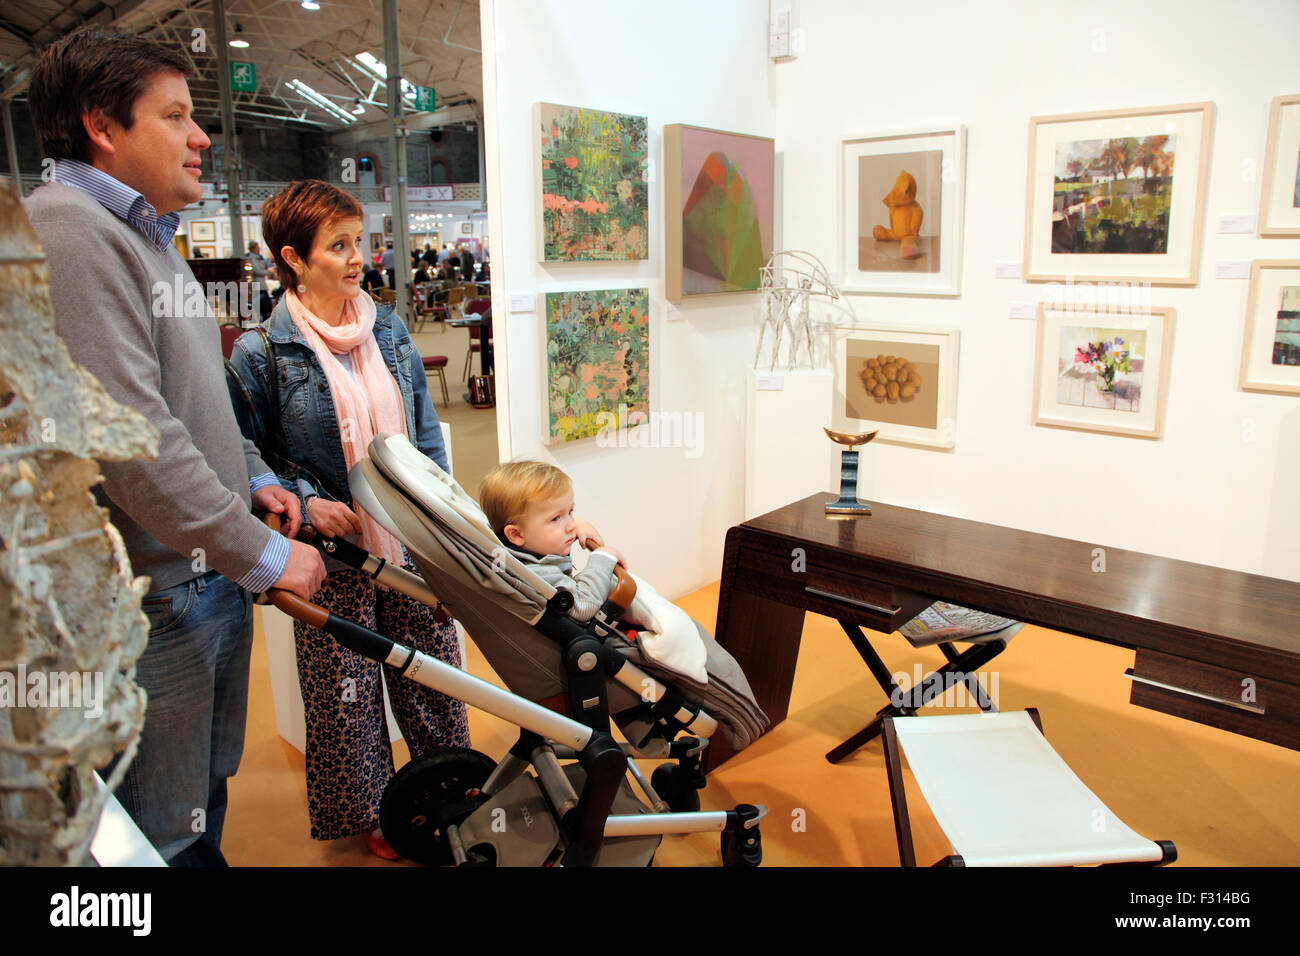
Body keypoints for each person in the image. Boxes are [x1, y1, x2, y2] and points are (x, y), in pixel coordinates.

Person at [23, 28, 325, 866]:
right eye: (177, 116)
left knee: (198, 800)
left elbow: (195, 410)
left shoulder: (149, 240)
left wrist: (254, 477)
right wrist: (260, 553)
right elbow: (133, 445)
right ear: (100, 125)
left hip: (196, 581)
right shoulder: (70, 233)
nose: (202, 137)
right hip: (152, 598)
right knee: (160, 837)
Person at [226, 179, 471, 858]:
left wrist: (447, 518)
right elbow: (244, 451)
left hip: (410, 539)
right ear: (294, 258)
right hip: (330, 553)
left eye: (359, 241)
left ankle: (453, 790)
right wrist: (302, 501)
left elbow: (423, 438)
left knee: (435, 675)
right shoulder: (262, 352)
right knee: (347, 698)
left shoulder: (387, 328)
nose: (358, 256)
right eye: (339, 245)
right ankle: (371, 816)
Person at [479, 461, 618, 622]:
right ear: (516, 534)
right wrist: (602, 559)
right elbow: (583, 607)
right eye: (555, 518)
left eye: (570, 512)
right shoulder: (536, 574)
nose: (571, 525)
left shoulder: (521, 552)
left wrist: (572, 523)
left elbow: (556, 531)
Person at [245, 240, 275, 320]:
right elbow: (257, 270)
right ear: (253, 249)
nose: (259, 249)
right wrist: (268, 271)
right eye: (257, 247)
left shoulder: (258, 258)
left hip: (261, 284)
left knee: (264, 304)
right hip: (258, 285)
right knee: (263, 304)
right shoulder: (252, 258)